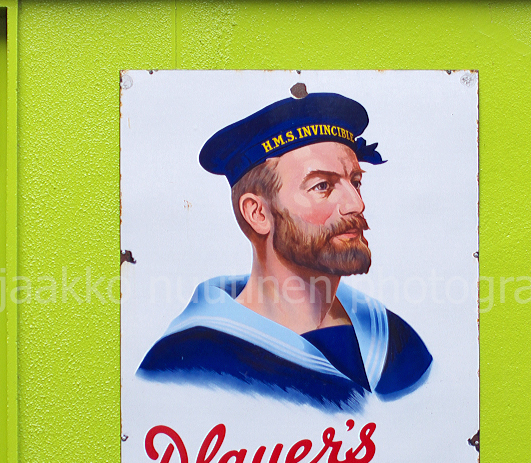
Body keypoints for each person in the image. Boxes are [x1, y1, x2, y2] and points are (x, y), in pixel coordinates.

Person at [138, 87, 432, 410]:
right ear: (258, 214)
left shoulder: (395, 344)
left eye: (355, 182)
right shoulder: (186, 364)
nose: (356, 204)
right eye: (322, 186)